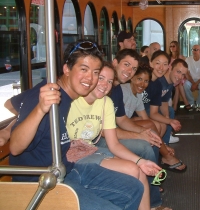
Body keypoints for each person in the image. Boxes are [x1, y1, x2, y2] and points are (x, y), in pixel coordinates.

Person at [9, 40, 143, 210]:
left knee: (134, 188)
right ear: (67, 69)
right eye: (83, 69)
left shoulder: (68, 98)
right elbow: (15, 147)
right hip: (39, 183)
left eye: (95, 72)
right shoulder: (47, 96)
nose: (91, 79)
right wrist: (40, 110)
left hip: (66, 169)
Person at [66, 62, 163, 210]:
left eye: (110, 81)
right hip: (71, 157)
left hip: (89, 151)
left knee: (139, 170)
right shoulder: (71, 100)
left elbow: (114, 144)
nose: (105, 85)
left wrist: (141, 161)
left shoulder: (106, 103)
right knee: (132, 171)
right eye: (101, 78)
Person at [142, 50, 187, 172]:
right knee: (158, 126)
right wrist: (169, 121)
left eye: (183, 75)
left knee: (169, 113)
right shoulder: (154, 80)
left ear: (168, 66)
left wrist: (168, 119)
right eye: (178, 72)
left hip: (145, 109)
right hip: (140, 111)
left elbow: (163, 102)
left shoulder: (162, 84)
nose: (180, 77)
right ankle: (163, 153)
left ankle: (163, 150)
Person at [183, 44, 200, 111]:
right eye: (193, 50)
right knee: (185, 85)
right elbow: (187, 73)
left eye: (196, 50)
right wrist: (193, 83)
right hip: (191, 79)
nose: (194, 51)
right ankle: (191, 103)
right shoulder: (188, 59)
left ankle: (199, 103)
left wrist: (196, 83)